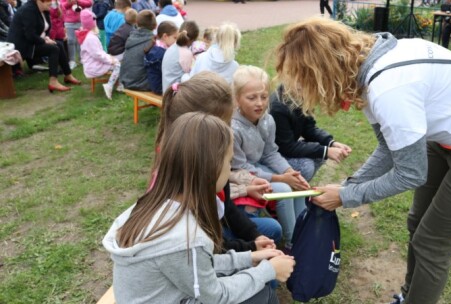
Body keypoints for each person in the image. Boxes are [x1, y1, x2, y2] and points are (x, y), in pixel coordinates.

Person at [274, 17, 451, 304]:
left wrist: (346, 196)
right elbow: (388, 148)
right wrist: (350, 184)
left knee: (432, 243)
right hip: (449, 137)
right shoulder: (371, 67)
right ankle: (410, 296)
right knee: (416, 222)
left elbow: (410, 173)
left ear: (323, 71)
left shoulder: (388, 89)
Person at [103, 112, 295, 304]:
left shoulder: (153, 205)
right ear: (211, 169)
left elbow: (199, 266)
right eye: (229, 162)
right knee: (262, 295)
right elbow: (216, 296)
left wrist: (249, 258)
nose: (230, 169)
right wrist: (267, 271)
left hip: (162, 294)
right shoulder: (186, 237)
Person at [153, 71, 278, 253]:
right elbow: (211, 248)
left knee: (270, 230)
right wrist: (251, 250)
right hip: (208, 249)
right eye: (225, 122)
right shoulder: (188, 179)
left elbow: (225, 203)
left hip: (215, 235)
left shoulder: (206, 157)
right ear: (199, 124)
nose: (228, 129)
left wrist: (254, 236)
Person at [231, 65, 310, 250]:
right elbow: (240, 167)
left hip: (259, 167)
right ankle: (293, 242)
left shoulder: (268, 120)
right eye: (251, 98)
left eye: (264, 97)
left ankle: (304, 232)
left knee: (297, 182)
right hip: (241, 176)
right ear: (237, 99)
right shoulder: (233, 129)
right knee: (283, 188)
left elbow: (271, 152)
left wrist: (290, 171)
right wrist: (281, 178)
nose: (259, 103)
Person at [269, 84, 352, 181]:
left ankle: (301, 188)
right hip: (274, 154)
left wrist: (331, 143)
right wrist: (325, 151)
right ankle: (292, 190)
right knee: (306, 167)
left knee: (320, 155)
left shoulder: (301, 96)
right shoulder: (278, 107)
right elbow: (287, 147)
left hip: (286, 148)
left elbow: (309, 128)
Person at [7, 0, 81, 92]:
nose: (51, 2)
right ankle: (53, 81)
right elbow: (30, 35)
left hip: (33, 41)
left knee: (59, 45)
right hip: (22, 46)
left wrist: (46, 38)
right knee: (53, 49)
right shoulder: (28, 10)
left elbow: (44, 29)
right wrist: (44, 41)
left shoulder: (44, 9)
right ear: (39, 1)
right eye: (48, 1)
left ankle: (68, 75)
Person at [77, 9, 121, 100]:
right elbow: (98, 55)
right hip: (94, 66)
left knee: (116, 60)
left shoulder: (86, 35)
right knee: (118, 65)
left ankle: (119, 84)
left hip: (92, 63)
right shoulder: (90, 38)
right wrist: (110, 60)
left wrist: (109, 57)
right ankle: (109, 85)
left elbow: (98, 53)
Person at [119, 9, 156, 91]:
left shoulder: (131, 37)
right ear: (155, 26)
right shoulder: (153, 41)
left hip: (125, 80)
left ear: (136, 23)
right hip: (140, 84)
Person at [161, 20, 198, 93]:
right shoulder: (186, 53)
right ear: (193, 40)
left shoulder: (171, 47)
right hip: (176, 94)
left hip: (166, 90)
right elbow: (191, 74)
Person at [144, 21, 178, 95]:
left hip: (155, 85)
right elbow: (169, 72)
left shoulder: (156, 47)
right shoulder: (161, 53)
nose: (176, 41)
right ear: (165, 36)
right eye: (175, 38)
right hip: (160, 87)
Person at [60, 0, 91, 69]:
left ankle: (82, 58)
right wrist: (69, 3)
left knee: (81, 41)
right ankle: (72, 61)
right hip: (68, 22)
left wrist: (78, 1)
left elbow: (89, 3)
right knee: (70, 41)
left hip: (81, 21)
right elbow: (61, 6)